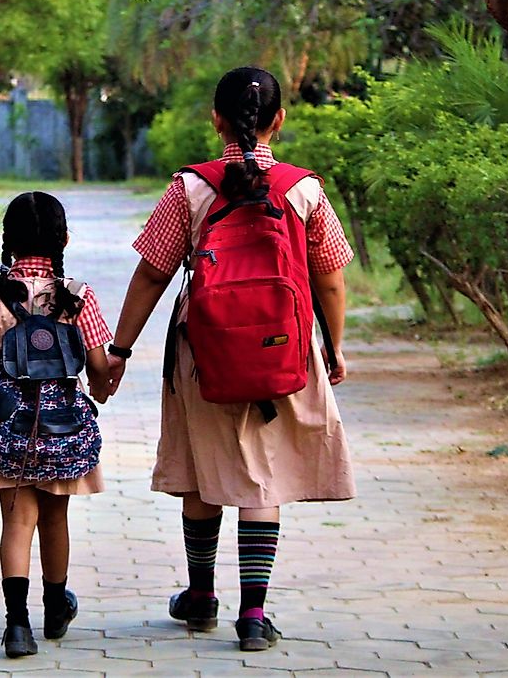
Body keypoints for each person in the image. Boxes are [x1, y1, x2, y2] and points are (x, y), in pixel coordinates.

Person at [105, 67, 356, 652]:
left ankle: (200, 598)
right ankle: (254, 612)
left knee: (202, 468)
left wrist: (119, 350)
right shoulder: (304, 190)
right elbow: (332, 280)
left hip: (204, 350)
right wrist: (334, 346)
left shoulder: (190, 188)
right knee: (261, 479)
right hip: (283, 352)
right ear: (279, 120)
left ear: (215, 119)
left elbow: (150, 274)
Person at [0, 191, 112, 659]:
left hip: (5, 429)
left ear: (7, 241)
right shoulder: (78, 297)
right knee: (55, 519)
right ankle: (55, 609)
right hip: (62, 432)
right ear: (64, 239)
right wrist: (103, 383)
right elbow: (97, 364)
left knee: (17, 522)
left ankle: (17, 627)